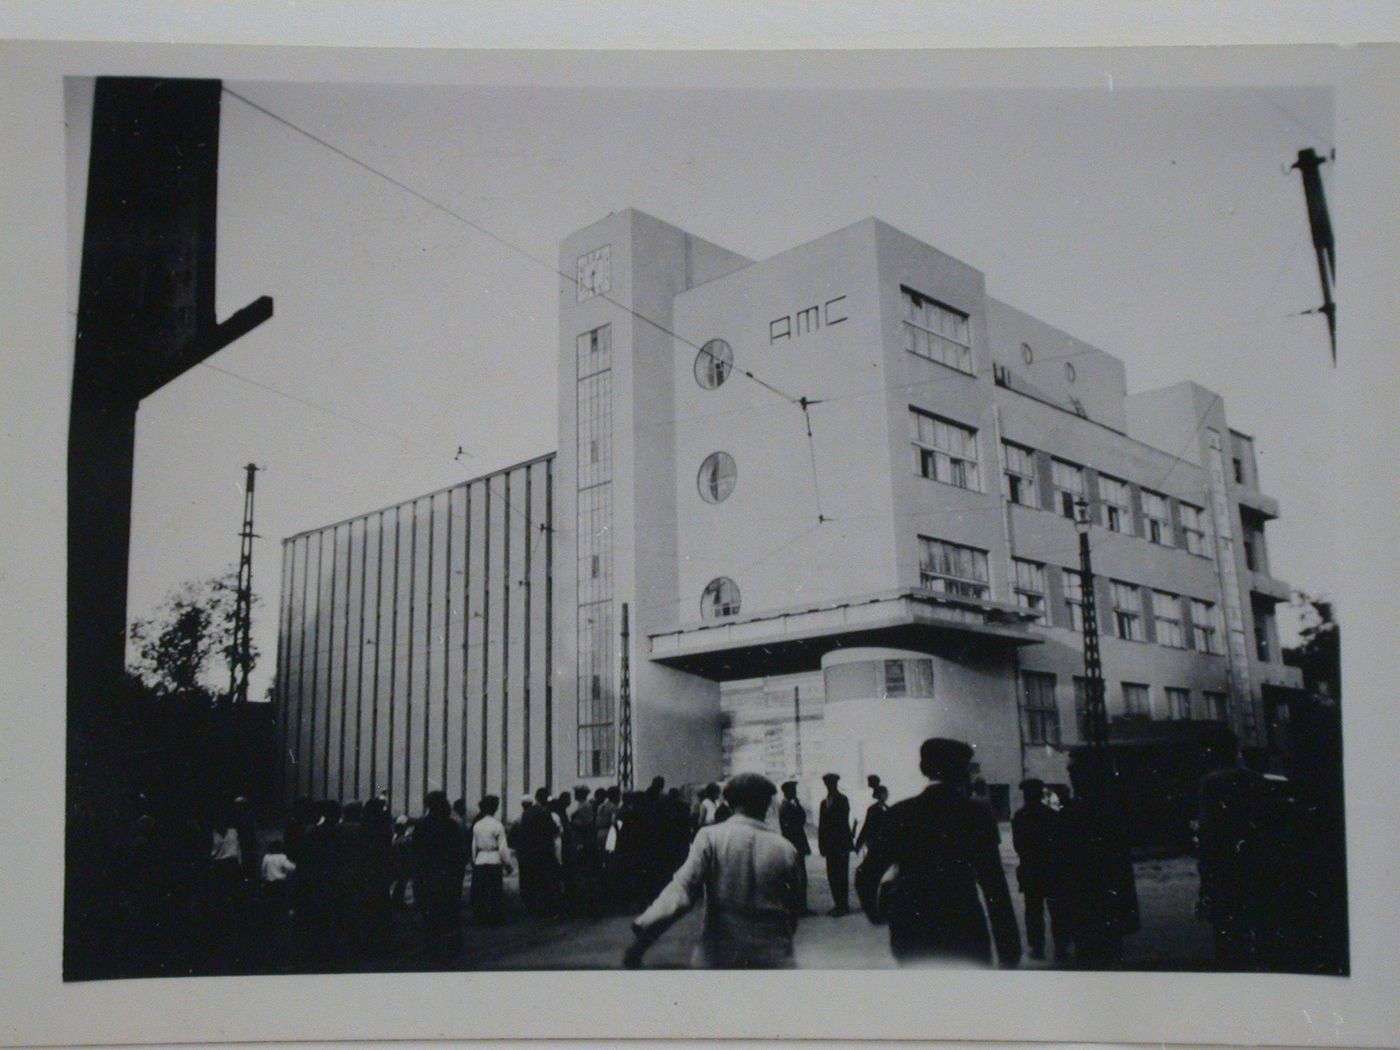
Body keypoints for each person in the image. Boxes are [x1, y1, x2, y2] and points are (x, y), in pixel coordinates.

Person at [859, 738, 1021, 968]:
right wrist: (1009, 949)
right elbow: (995, 886)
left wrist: (875, 914)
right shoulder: (975, 814)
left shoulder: (900, 813)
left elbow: (866, 873)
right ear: (962, 772)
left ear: (924, 769)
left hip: (912, 928)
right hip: (963, 926)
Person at [623, 773, 802, 969]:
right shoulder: (786, 848)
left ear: (729, 802)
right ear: (767, 803)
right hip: (774, 957)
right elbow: (793, 908)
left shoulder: (710, 837)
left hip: (720, 953)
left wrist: (643, 937)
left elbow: (682, 890)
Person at [1054, 750, 1139, 969]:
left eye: (1075, 771)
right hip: (1098, 901)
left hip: (1090, 901)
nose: (1071, 776)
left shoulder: (1078, 811)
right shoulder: (1111, 808)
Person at [1012, 778, 1065, 962]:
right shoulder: (1052, 815)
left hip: (1030, 869)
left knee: (1033, 911)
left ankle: (1038, 948)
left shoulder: (1020, 817)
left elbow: (1018, 846)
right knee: (1057, 910)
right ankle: (1061, 948)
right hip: (1051, 868)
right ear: (1041, 794)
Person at [412, 791, 468, 964]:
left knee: (431, 917)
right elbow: (461, 853)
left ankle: (433, 950)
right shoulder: (452, 825)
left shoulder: (421, 825)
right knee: (451, 914)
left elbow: (416, 854)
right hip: (449, 876)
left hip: (428, 876)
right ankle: (453, 949)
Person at [470, 795, 512, 924]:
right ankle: (495, 917)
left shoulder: (477, 825)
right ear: (494, 808)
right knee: (495, 892)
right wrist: (507, 863)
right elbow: (503, 848)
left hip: (480, 859)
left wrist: (474, 859)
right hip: (494, 860)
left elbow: (474, 845)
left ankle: (480, 918)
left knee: (480, 892)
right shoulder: (497, 825)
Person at [817, 772, 854, 916]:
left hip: (841, 845)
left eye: (831, 784)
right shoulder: (823, 803)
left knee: (841, 875)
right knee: (832, 875)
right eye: (827, 784)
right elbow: (821, 826)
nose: (829, 787)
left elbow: (843, 824)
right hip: (830, 846)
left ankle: (843, 906)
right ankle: (837, 904)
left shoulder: (842, 800)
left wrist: (844, 845)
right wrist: (821, 845)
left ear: (836, 784)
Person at [777, 781, 812, 915]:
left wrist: (798, 805)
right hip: (794, 845)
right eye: (793, 790)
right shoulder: (785, 807)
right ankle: (799, 907)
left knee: (800, 876)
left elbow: (802, 818)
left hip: (796, 845)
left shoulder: (791, 805)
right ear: (787, 792)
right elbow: (796, 824)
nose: (795, 793)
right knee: (798, 877)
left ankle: (801, 907)